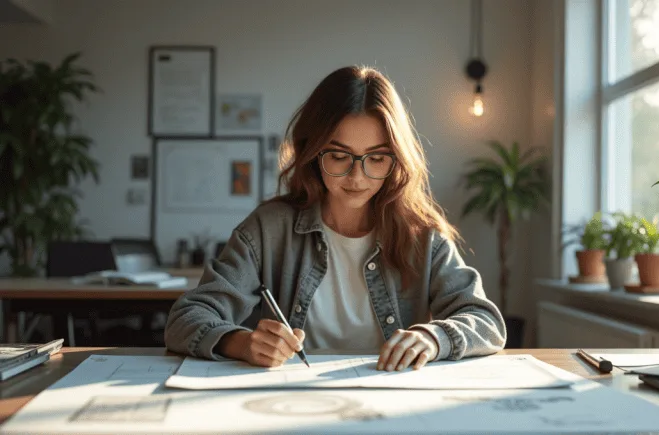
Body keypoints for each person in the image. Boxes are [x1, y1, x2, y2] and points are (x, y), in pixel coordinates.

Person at [164, 65, 505, 372]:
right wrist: (240, 343)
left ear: (397, 159)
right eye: (340, 156)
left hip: (392, 399)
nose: (357, 177)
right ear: (312, 152)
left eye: (377, 158)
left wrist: (434, 338)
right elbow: (185, 319)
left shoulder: (421, 235)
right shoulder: (269, 229)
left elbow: (485, 321)